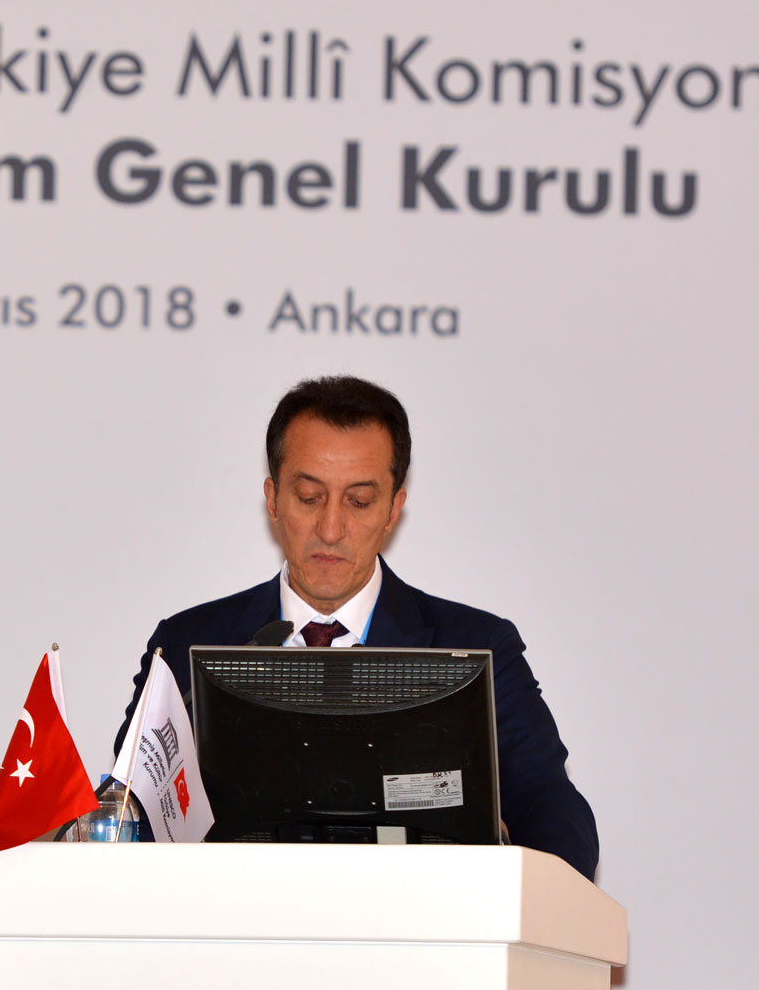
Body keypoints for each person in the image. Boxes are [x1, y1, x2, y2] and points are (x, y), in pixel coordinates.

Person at [115, 375, 599, 879]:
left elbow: (548, 803)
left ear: (393, 510)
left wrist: (546, 897)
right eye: (309, 497)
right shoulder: (186, 644)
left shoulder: (478, 645)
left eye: (359, 501)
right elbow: (133, 811)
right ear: (273, 499)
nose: (330, 529)